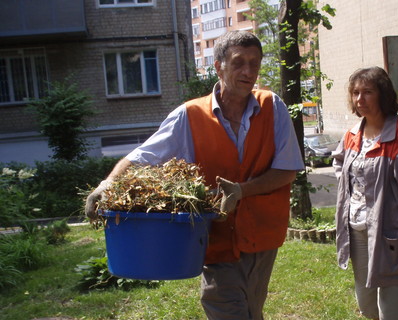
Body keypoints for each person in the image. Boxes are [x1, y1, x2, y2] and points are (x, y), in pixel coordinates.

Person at [85, 30, 304, 319]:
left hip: (262, 235)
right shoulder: (189, 116)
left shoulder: (272, 106)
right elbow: (143, 157)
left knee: (252, 306)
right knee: (224, 305)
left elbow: (287, 170)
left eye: (255, 63)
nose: (248, 71)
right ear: (219, 66)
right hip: (215, 237)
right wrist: (108, 184)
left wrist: (241, 191)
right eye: (239, 62)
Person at [332, 67, 398, 320]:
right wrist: (352, 185)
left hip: (393, 236)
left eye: (368, 92)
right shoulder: (353, 133)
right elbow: (339, 163)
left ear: (383, 95)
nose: (360, 99)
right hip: (357, 233)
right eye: (355, 93)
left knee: (393, 309)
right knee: (367, 304)